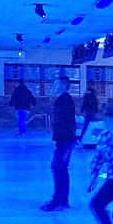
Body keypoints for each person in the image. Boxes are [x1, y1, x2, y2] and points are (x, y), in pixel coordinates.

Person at [40, 76, 76, 212]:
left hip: (64, 140)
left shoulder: (63, 100)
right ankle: (62, 199)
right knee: (61, 169)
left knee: (57, 168)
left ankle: (59, 200)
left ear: (63, 85)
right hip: (67, 139)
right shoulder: (66, 99)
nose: (53, 86)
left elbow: (62, 122)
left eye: (56, 84)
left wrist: (58, 139)